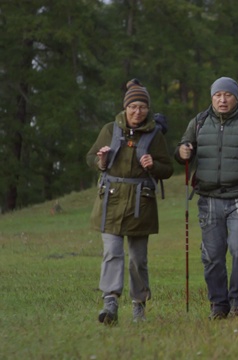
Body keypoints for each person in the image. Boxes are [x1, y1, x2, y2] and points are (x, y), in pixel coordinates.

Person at [175, 77, 238, 320]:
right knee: (212, 255)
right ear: (212, 98)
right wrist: (182, 151)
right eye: (218, 95)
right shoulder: (198, 122)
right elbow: (182, 152)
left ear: (235, 97)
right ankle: (218, 305)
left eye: (227, 95)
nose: (222, 99)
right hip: (208, 199)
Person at [87, 79, 174, 324]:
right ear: (125, 107)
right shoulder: (109, 130)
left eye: (142, 107)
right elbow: (90, 158)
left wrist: (153, 165)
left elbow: (167, 168)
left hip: (140, 203)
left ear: (148, 109)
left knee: (138, 259)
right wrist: (101, 161)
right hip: (110, 202)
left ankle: (138, 306)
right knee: (112, 253)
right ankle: (110, 303)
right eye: (133, 107)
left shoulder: (155, 134)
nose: (138, 112)